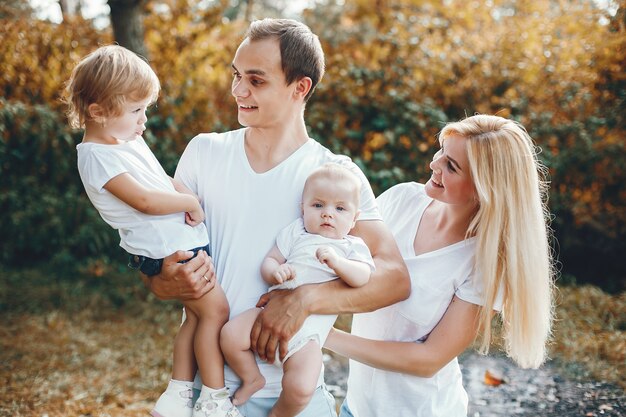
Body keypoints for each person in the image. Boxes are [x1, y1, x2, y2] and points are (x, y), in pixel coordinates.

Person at [142, 18, 411, 417]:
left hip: (297, 396)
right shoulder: (203, 153)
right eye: (236, 76)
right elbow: (161, 252)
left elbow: (394, 279)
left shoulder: (336, 176)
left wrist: (304, 299)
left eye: (256, 80)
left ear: (300, 87)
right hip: (210, 396)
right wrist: (159, 279)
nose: (238, 90)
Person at [324, 114, 555, 417]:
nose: (435, 165)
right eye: (442, 152)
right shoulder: (400, 200)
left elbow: (427, 360)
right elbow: (332, 252)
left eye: (452, 166)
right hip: (356, 408)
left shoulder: (484, 264)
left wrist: (323, 336)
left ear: (484, 189)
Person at [66, 45, 240, 417]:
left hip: (177, 241)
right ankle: (213, 399)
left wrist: (183, 193)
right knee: (215, 313)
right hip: (168, 247)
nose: (144, 120)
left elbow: (159, 180)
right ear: (97, 111)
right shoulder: (96, 156)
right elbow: (144, 201)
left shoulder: (125, 140)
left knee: (195, 317)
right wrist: (191, 204)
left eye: (145, 109)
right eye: (135, 110)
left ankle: (177, 396)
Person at [221, 163, 375, 417]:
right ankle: (252, 378)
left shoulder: (351, 246)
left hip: (308, 334)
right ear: (302, 208)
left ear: (354, 218)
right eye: (318, 205)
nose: (328, 214)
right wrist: (275, 272)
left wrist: (338, 262)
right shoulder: (296, 232)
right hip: (268, 312)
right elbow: (270, 260)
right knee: (230, 335)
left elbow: (362, 277)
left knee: (302, 388)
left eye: (339, 208)